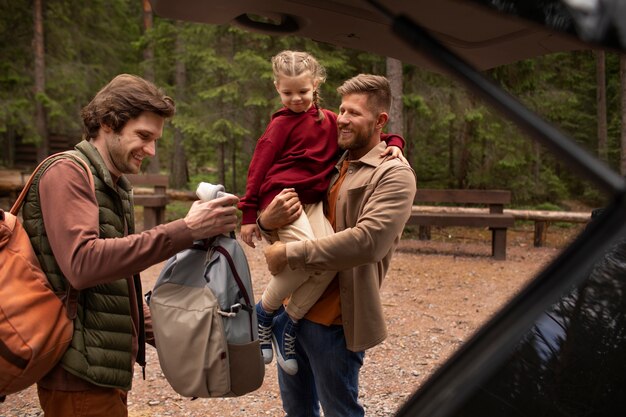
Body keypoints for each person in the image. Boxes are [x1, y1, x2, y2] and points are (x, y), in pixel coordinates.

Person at [21, 74, 239, 417]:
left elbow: (117, 287)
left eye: (156, 140)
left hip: (101, 367)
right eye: (143, 136)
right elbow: (82, 265)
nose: (151, 150)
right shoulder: (68, 173)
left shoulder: (113, 184)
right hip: (79, 372)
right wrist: (186, 229)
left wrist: (183, 340)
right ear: (109, 123)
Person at [237, 50, 406, 375]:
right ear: (277, 88)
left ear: (316, 85)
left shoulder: (329, 121)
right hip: (283, 197)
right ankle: (263, 312)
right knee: (303, 260)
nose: (296, 99)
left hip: (310, 201)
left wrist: (396, 140)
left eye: (302, 91)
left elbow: (373, 136)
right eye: (287, 93)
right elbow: (257, 169)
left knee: (327, 260)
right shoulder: (280, 125)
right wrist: (248, 215)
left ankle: (289, 321)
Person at [259, 74, 417, 417]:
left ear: (380, 121)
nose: (342, 118)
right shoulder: (333, 158)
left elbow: (368, 241)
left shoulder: (393, 173)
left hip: (335, 321)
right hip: (292, 313)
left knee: (340, 411)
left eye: (354, 113)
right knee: (297, 411)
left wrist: (289, 254)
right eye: (341, 109)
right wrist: (263, 222)